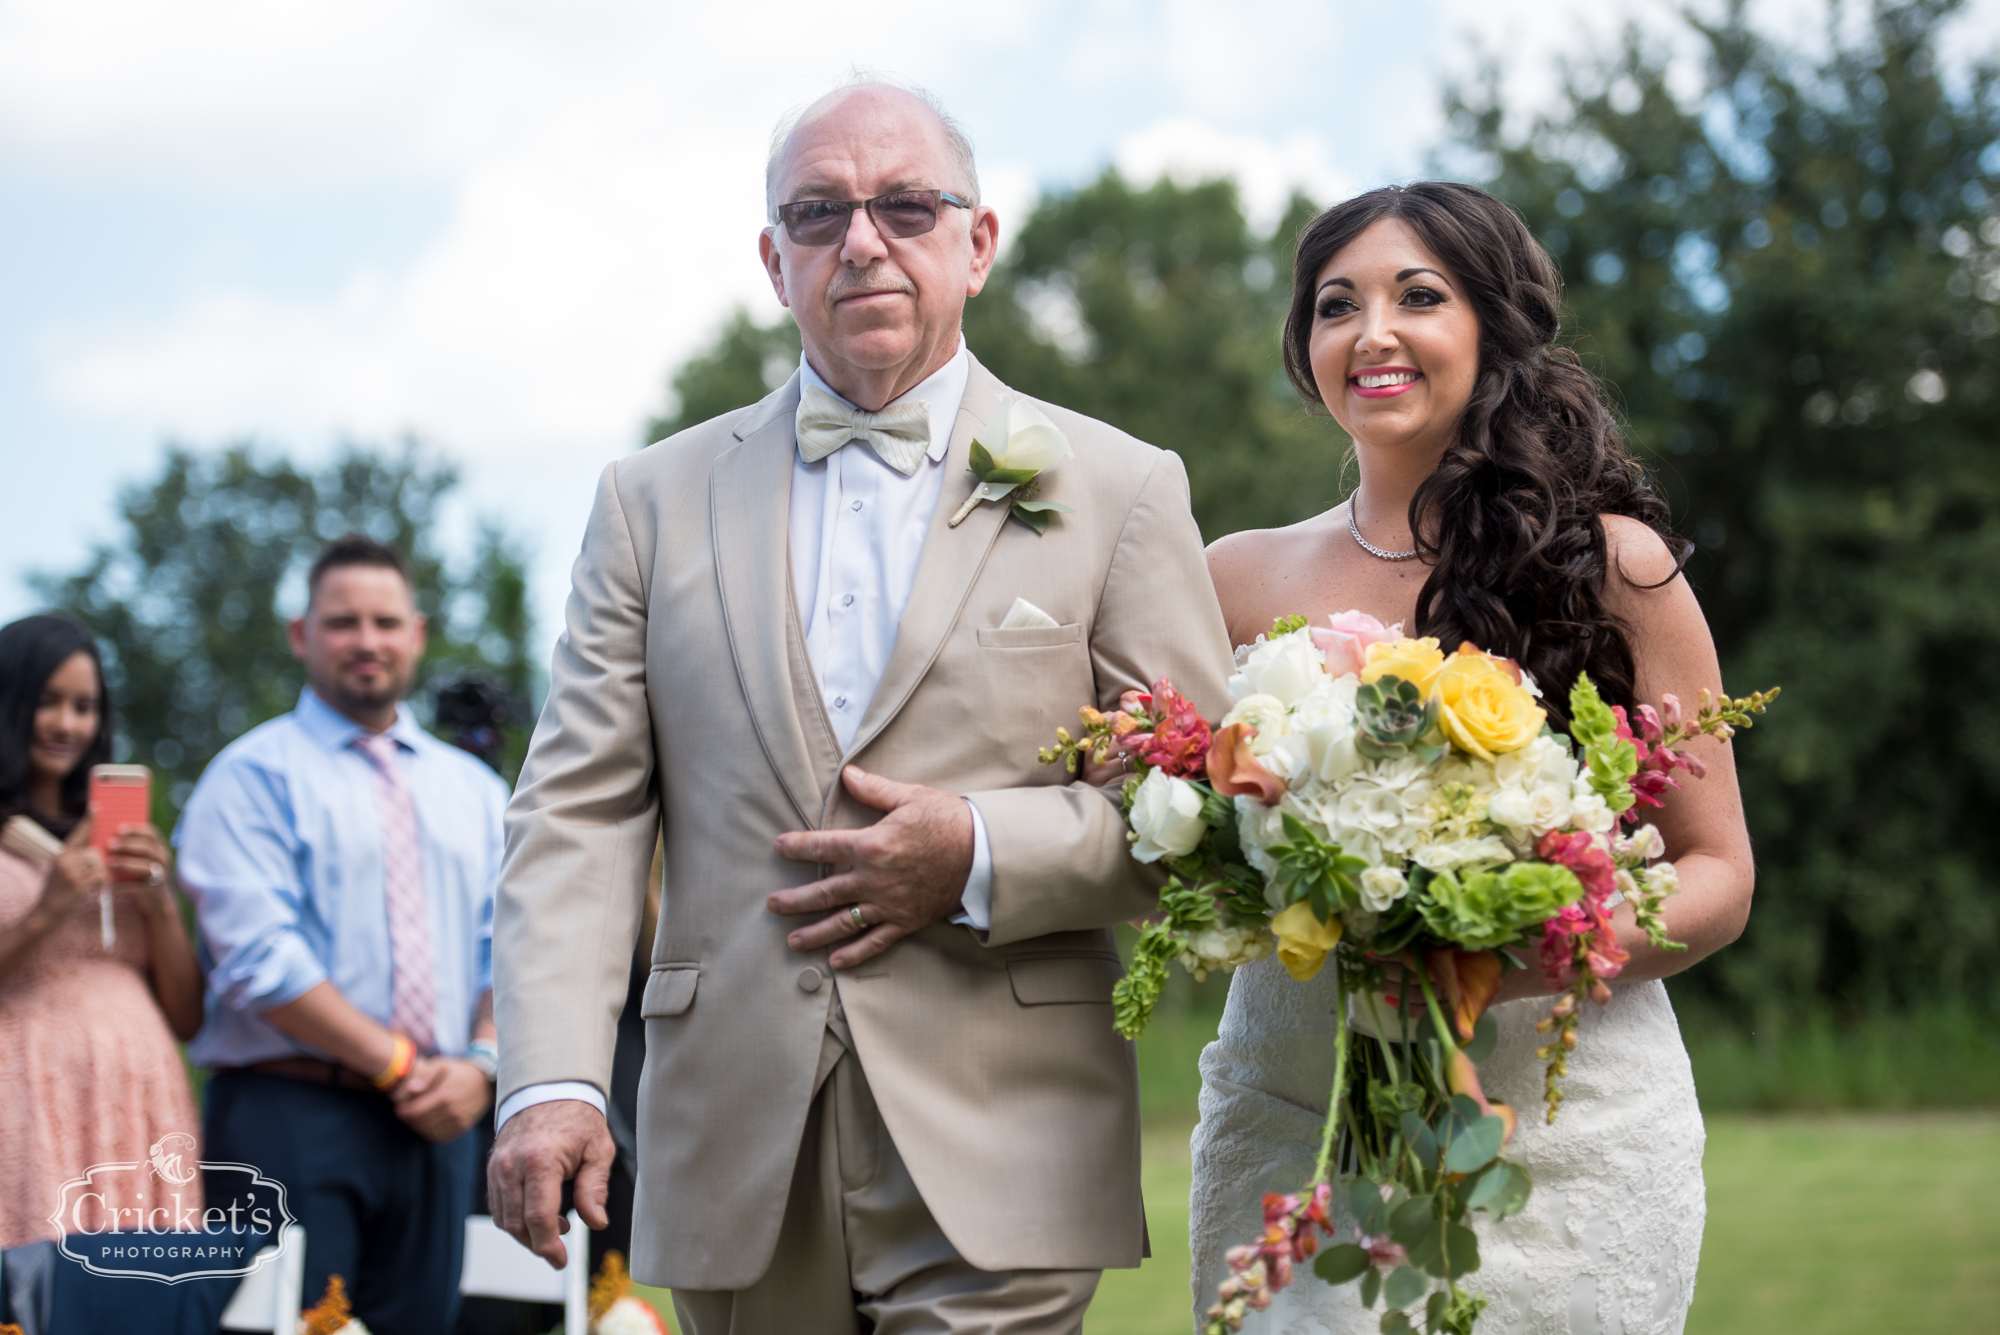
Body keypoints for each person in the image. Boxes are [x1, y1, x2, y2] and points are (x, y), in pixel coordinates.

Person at [486, 76, 1235, 1333]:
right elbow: (576, 810)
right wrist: (551, 1079)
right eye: (820, 214)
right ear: (774, 260)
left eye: (905, 205)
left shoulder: (1118, 487)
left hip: (1007, 1127)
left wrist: (979, 851)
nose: (863, 241)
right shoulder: (647, 500)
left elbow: (1200, 805)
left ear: (977, 242)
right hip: (734, 1135)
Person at [1189, 182, 1754, 1332]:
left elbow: (1718, 874)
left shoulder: (1612, 566)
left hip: (1562, 1131)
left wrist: (1514, 949)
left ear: (1491, 329)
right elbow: (1183, 820)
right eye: (1335, 304)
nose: (1372, 332)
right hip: (1292, 1113)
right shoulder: (1231, 578)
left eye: (1418, 296)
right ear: (1306, 349)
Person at [175, 536, 509, 1335]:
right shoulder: (247, 777)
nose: (368, 640)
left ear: (418, 633)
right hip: (289, 1112)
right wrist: (402, 1065)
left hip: (444, 1122)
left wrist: (484, 1066)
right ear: (301, 634)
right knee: (278, 1327)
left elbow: (516, 945)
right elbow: (259, 959)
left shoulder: (479, 792)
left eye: (386, 621)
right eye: (343, 621)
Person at [0, 613, 204, 1249]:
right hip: (25, 1088)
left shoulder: (116, 833)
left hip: (136, 1094)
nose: (68, 724)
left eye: (84, 706)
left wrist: (160, 901)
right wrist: (48, 911)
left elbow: (189, 1017)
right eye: (48, 703)